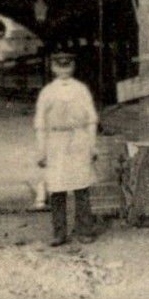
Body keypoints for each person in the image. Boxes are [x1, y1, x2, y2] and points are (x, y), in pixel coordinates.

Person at [33, 50, 100, 246]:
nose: (63, 69)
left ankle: (85, 230)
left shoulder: (81, 90)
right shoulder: (47, 92)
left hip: (78, 139)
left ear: (73, 66)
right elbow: (40, 123)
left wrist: (92, 145)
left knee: (81, 187)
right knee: (57, 189)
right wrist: (41, 149)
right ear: (53, 67)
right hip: (55, 141)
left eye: (67, 65)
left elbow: (91, 120)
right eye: (59, 65)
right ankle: (59, 233)